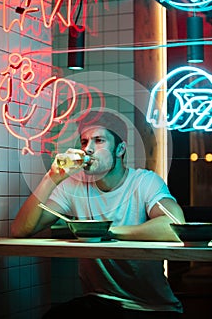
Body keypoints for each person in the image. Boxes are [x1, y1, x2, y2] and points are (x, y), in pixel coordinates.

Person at [11, 110, 185, 319]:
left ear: (120, 149)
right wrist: (52, 177)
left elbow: (175, 225)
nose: (88, 150)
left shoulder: (144, 182)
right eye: (84, 142)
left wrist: (108, 232)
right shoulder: (73, 186)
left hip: (152, 307)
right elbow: (21, 230)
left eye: (99, 140)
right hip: (100, 301)